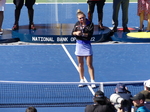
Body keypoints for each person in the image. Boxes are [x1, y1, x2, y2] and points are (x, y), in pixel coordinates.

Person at [72, 9, 95, 88]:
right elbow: (72, 33)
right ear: (78, 19)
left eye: (83, 18)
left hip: (87, 46)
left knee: (89, 64)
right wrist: (76, 33)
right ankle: (82, 79)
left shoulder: (90, 24)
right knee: (81, 64)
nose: (81, 19)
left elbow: (89, 35)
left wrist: (82, 34)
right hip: (79, 45)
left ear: (85, 17)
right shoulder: (77, 24)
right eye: (80, 18)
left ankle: (92, 81)